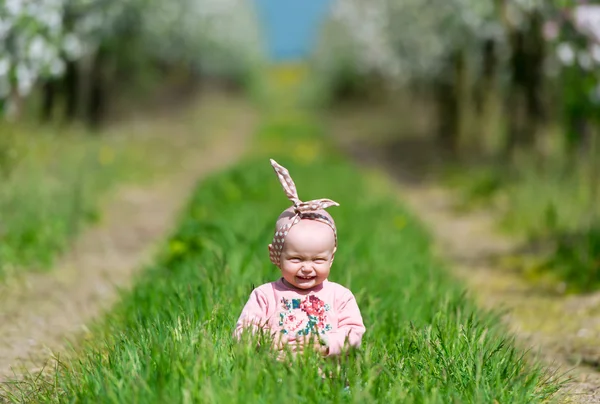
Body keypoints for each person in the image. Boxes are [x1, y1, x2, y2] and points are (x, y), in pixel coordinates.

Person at [234, 159, 366, 358]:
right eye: (296, 259)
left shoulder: (340, 296)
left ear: (331, 258)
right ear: (276, 255)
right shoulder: (266, 295)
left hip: (328, 376)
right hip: (275, 374)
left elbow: (354, 333)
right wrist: (268, 340)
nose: (307, 268)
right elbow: (243, 332)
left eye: (318, 260)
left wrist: (326, 343)